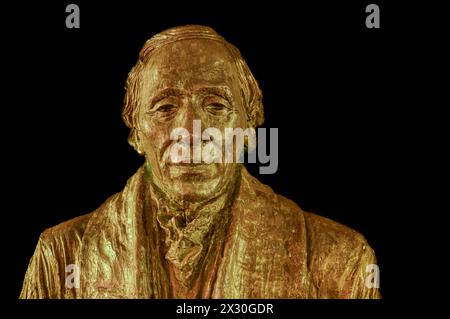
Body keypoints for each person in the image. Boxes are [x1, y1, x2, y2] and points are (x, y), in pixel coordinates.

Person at [20, 25, 380, 299]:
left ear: (249, 127)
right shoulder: (60, 257)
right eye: (165, 107)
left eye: (216, 106)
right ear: (135, 132)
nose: (191, 130)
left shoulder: (341, 260)